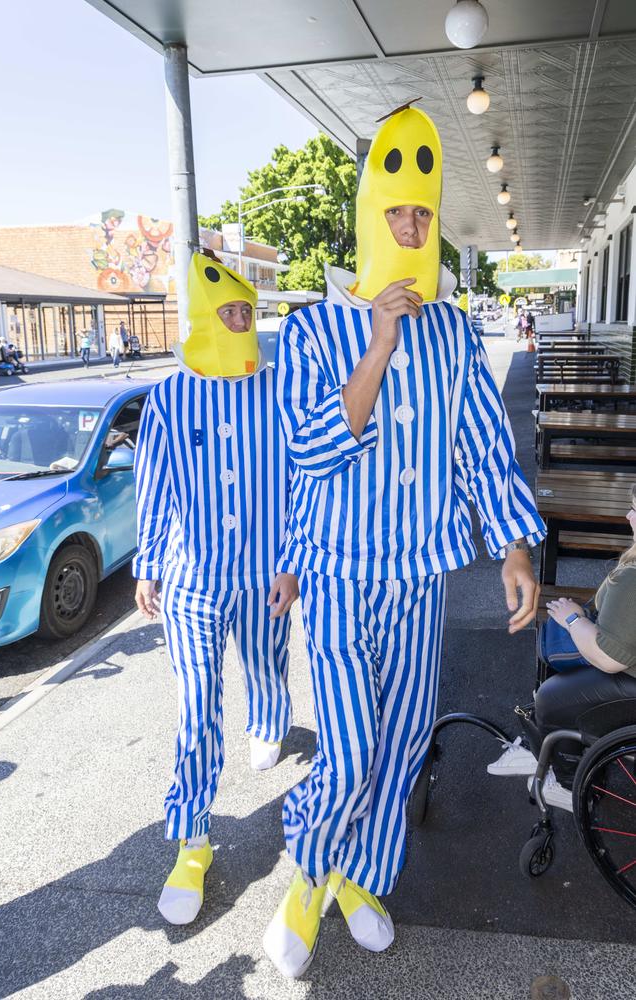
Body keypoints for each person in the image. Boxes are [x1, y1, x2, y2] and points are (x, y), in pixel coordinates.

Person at [264, 104, 546, 978]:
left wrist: (515, 546)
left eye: (423, 211)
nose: (413, 224)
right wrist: (379, 346)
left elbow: (480, 450)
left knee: (401, 745)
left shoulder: (458, 335)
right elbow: (309, 451)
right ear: (368, 213)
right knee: (349, 750)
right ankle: (308, 874)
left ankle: (360, 877)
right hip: (341, 577)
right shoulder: (314, 330)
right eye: (398, 209)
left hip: (419, 578)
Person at [133, 253, 298, 927]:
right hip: (194, 581)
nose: (242, 324)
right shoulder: (171, 397)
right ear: (202, 317)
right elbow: (155, 481)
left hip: (265, 573)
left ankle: (268, 719)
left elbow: (299, 477)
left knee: (265, 664)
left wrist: (292, 562)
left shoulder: (277, 386)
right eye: (230, 313)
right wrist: (149, 562)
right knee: (195, 703)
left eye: (248, 314)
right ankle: (192, 839)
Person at [488, 485, 636, 811]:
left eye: (634, 511)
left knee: (553, 695)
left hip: (628, 679)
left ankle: (568, 786)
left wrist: (572, 619)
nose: (628, 516)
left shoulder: (632, 579)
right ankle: (535, 744)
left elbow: (608, 657)